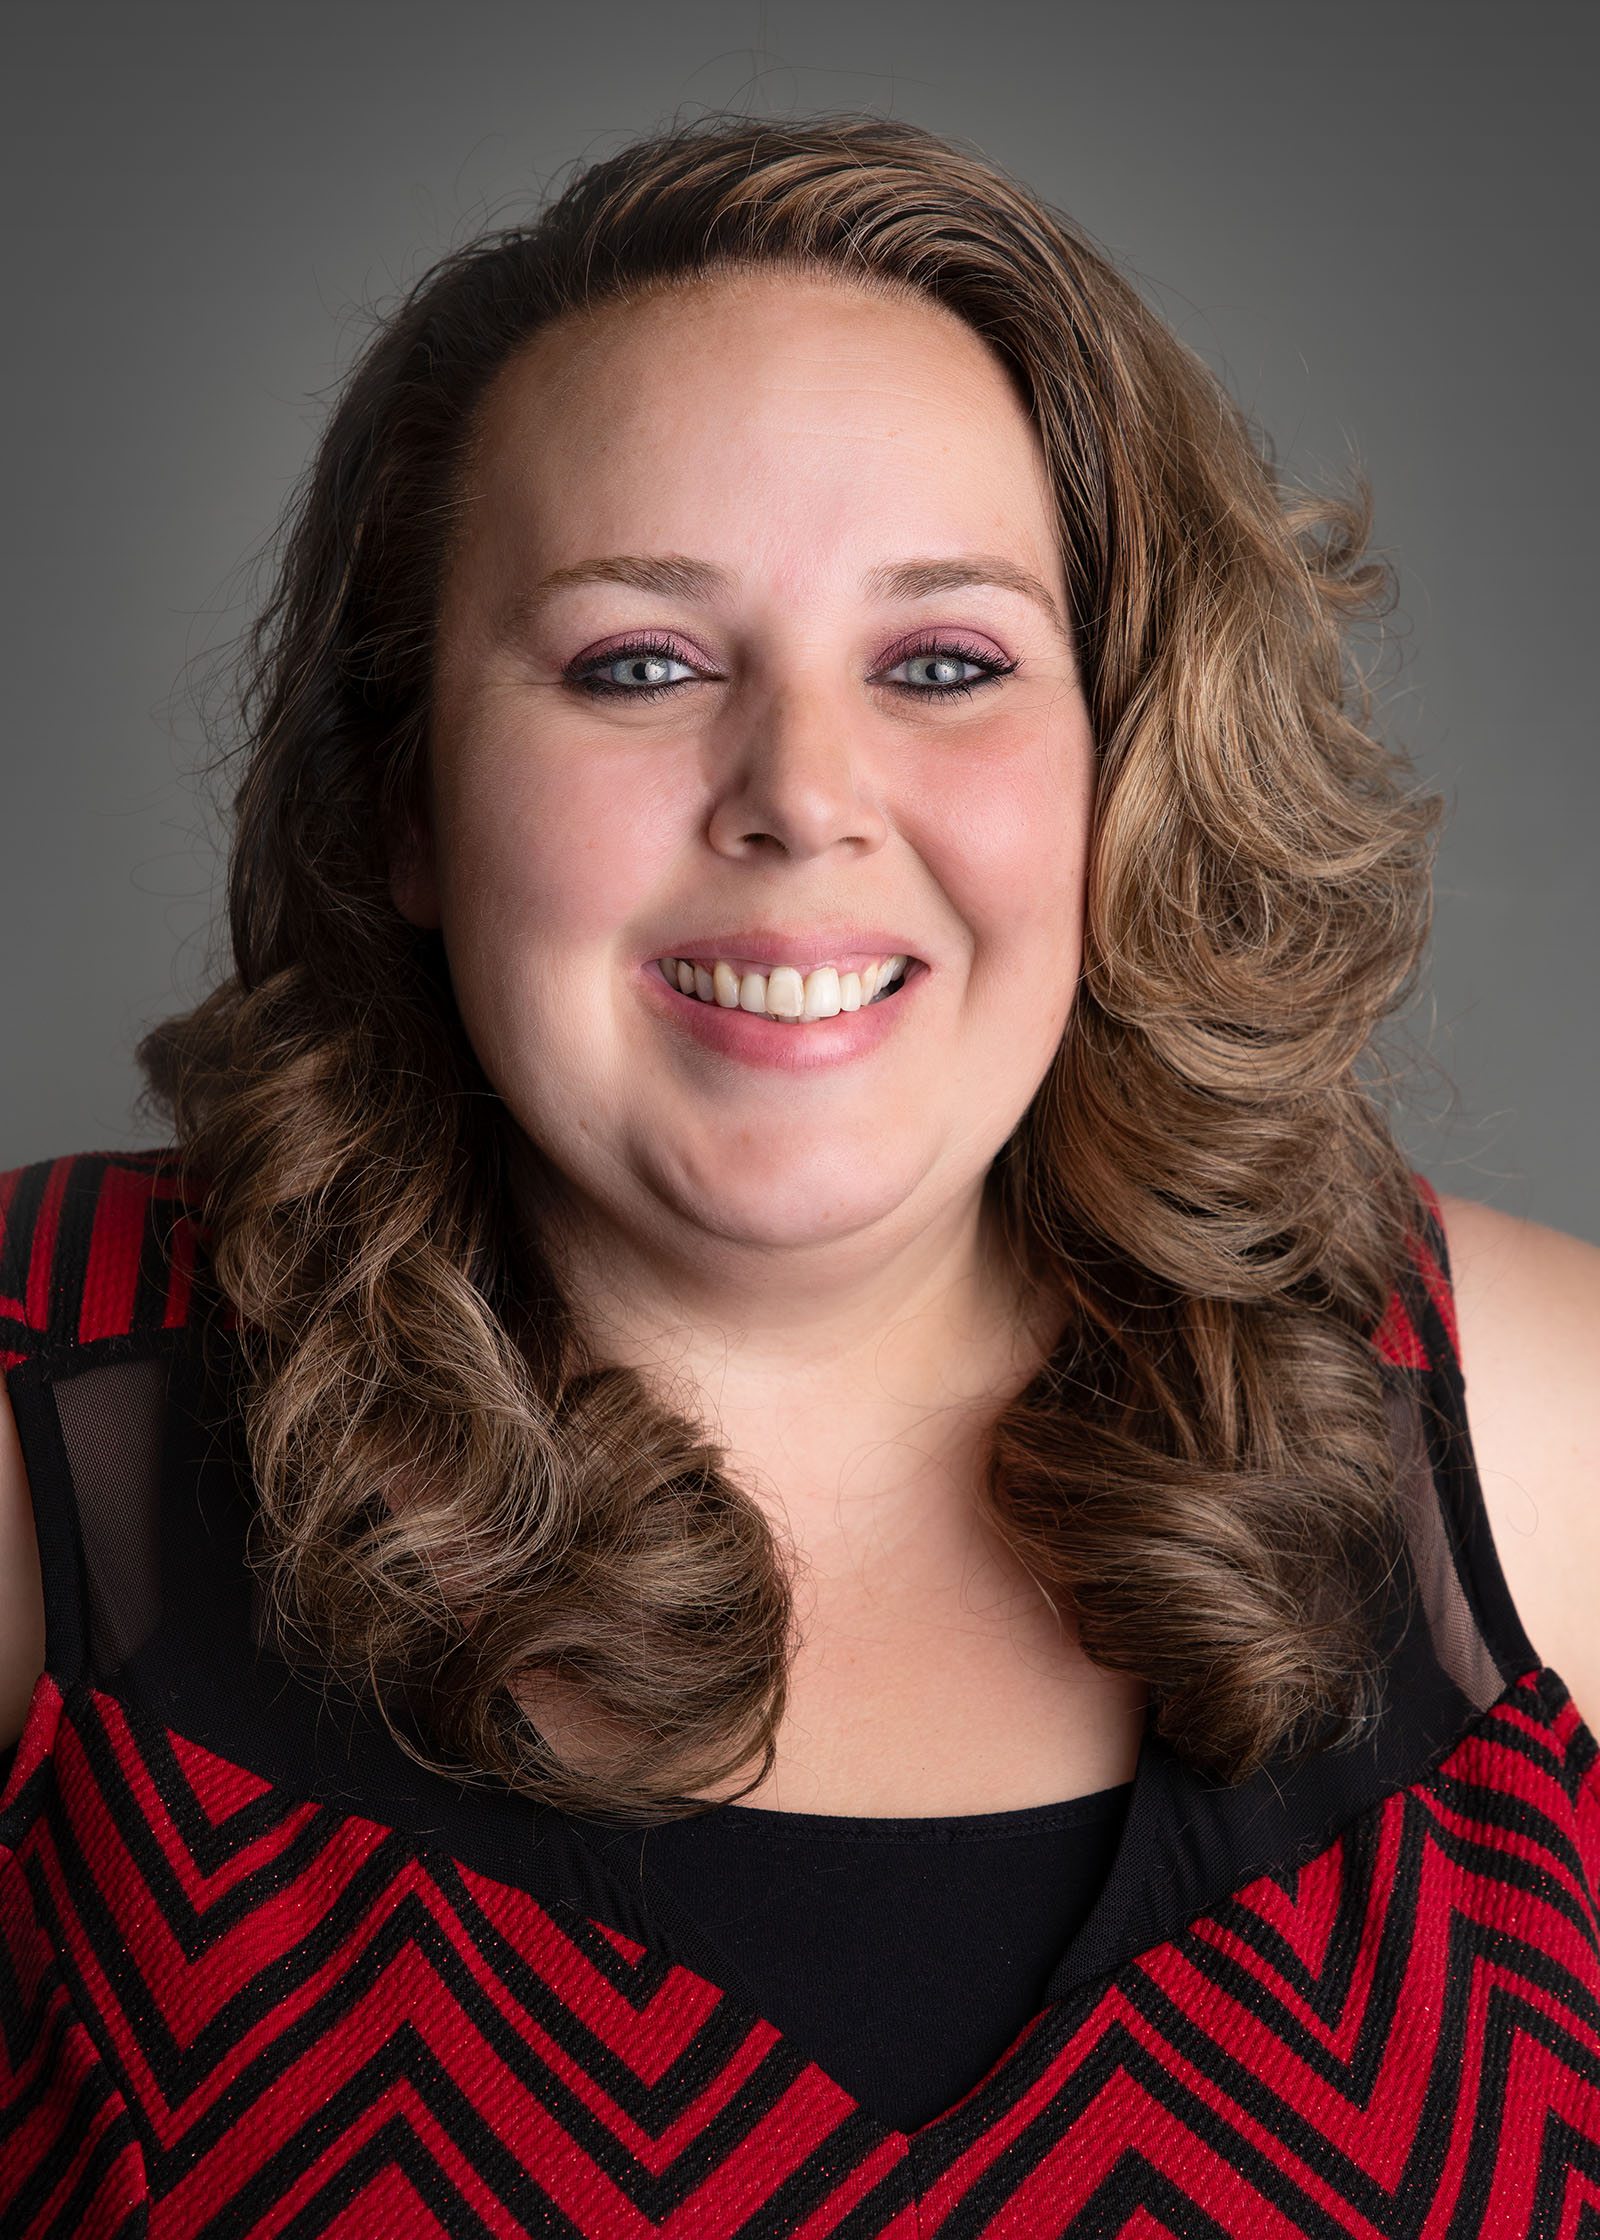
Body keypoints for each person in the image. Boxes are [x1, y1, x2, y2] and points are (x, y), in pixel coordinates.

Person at [1, 116, 1596, 2234]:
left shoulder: (1539, 1442)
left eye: (940, 664)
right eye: (636, 663)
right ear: (401, 793)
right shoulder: (43, 1441)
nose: (802, 795)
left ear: (1121, 761)